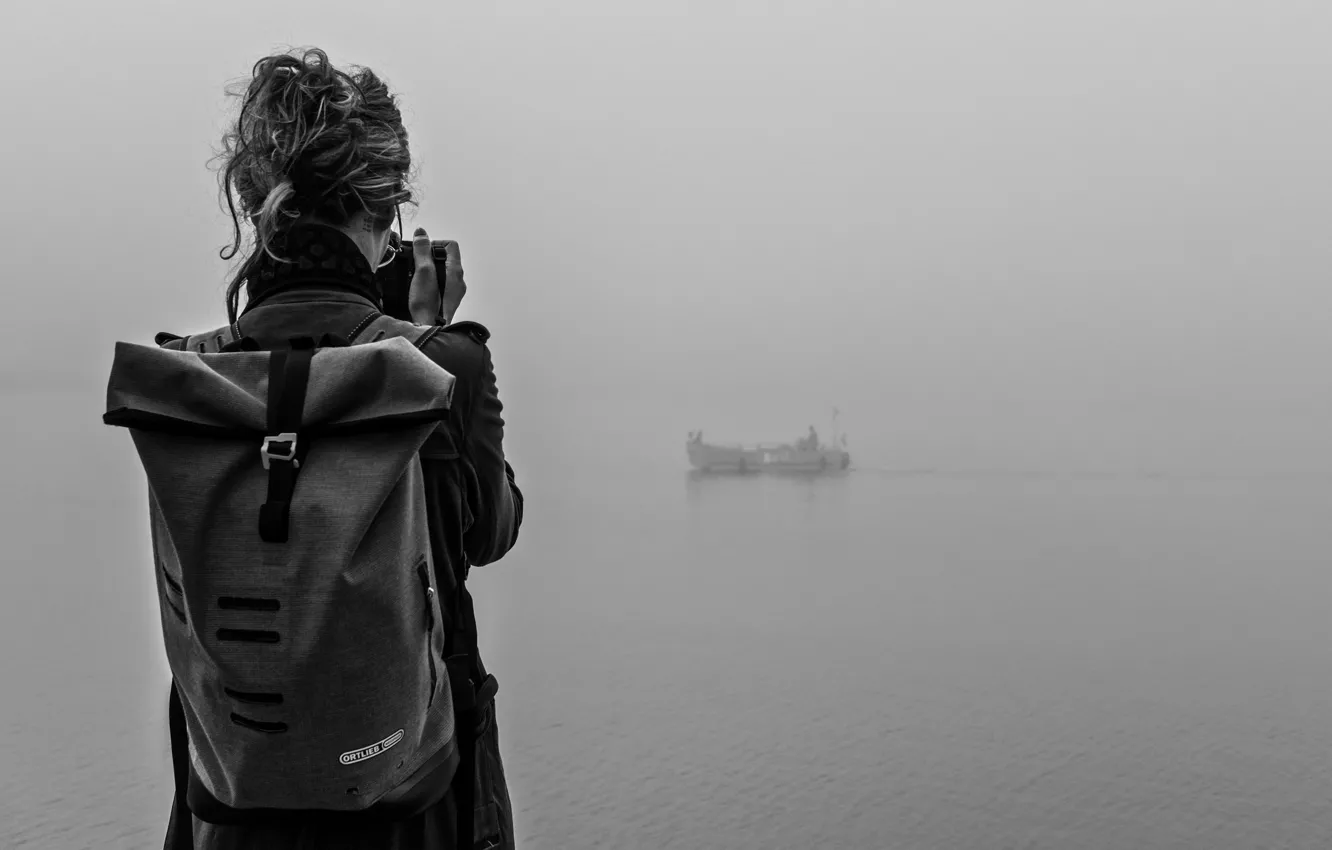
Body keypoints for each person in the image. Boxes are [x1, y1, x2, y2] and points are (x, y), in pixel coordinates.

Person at [159, 48, 523, 849]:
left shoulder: (188, 374)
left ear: (255, 205)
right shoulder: (442, 365)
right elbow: (490, 533)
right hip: (409, 807)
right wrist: (424, 334)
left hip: (233, 805)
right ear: (385, 211)